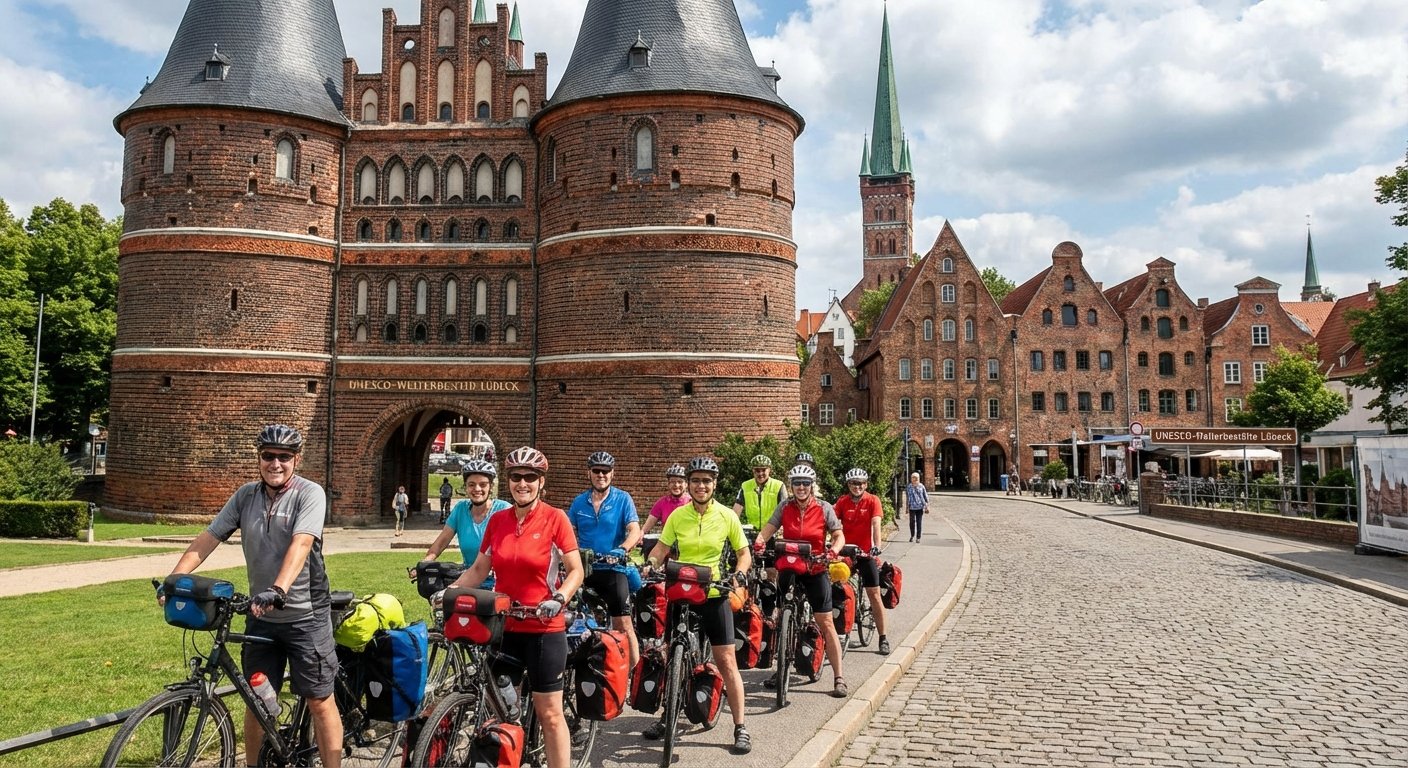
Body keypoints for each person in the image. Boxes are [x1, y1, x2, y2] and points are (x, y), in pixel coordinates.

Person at [158, 425, 342, 767]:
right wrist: (174, 580)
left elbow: (301, 543)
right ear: (258, 459)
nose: (276, 463)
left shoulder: (309, 493)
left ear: (296, 460)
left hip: (305, 614)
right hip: (261, 615)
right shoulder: (246, 496)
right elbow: (209, 538)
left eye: (284, 457)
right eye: (268, 456)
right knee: (256, 700)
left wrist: (278, 589)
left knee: (318, 699)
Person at [449, 446, 584, 768]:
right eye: (515, 477)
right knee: (497, 705)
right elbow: (480, 570)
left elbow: (576, 569)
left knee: (549, 713)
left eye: (529, 477)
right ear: (507, 481)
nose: (522, 483)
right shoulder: (498, 521)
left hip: (543, 628)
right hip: (503, 626)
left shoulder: (555, 518)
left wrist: (560, 597)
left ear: (540, 482)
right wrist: (450, 591)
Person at [642, 457, 753, 753]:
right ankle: (668, 716)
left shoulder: (727, 515)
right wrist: (650, 563)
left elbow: (744, 553)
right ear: (689, 485)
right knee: (670, 656)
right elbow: (662, 548)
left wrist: (740, 573)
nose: (700, 486)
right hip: (681, 591)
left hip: (714, 593)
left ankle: (740, 727)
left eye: (706, 481)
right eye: (696, 481)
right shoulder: (678, 515)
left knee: (727, 661)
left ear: (714, 484)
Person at [753, 464, 849, 698]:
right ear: (791, 486)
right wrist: (759, 542)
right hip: (789, 568)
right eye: (797, 483)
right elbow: (768, 529)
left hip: (815, 568)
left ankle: (839, 678)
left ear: (812, 486)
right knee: (780, 616)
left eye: (806, 483)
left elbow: (838, 535)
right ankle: (782, 666)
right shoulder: (784, 507)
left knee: (825, 621)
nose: (801, 487)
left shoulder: (824, 508)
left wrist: (833, 551)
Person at [566, 451, 642, 667]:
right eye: (596, 471)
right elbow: (569, 533)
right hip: (585, 570)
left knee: (623, 624)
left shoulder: (622, 499)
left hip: (613, 570)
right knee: (572, 620)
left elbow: (634, 530)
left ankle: (633, 678)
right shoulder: (579, 502)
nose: (601, 475)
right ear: (589, 473)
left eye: (605, 471)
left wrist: (623, 549)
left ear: (612, 473)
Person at [422, 459, 510, 586]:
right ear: (465, 486)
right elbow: (441, 542)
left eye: (483, 484)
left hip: (498, 582)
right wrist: (425, 563)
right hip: (469, 579)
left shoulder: (504, 510)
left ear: (491, 486)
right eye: (471, 484)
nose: (477, 489)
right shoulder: (460, 509)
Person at [833, 468, 890, 655]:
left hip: (866, 552)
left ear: (865, 485)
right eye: (853, 483)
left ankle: (883, 638)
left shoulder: (873, 500)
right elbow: (832, 523)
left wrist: (876, 545)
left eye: (860, 483)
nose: (857, 487)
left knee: (873, 593)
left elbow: (876, 524)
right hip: (847, 551)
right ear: (848, 485)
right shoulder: (842, 501)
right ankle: (839, 627)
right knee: (836, 584)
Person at [733, 454, 785, 531]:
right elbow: (737, 509)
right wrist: (732, 527)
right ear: (753, 470)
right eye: (757, 470)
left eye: (764, 470)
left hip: (773, 532)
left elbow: (785, 510)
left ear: (769, 470)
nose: (760, 474)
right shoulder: (745, 486)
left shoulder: (779, 485)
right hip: (752, 531)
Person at [642, 464, 689, 535]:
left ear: (686, 484)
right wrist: (640, 535)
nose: (676, 485)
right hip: (667, 542)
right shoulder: (662, 503)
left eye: (680, 482)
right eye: (672, 482)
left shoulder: (691, 502)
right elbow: (646, 526)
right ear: (668, 484)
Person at [906, 472, 929, 542]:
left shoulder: (921, 486)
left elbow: (926, 497)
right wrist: (907, 507)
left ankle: (918, 537)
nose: (914, 479)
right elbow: (907, 498)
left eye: (916, 478)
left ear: (918, 478)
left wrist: (927, 506)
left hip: (920, 507)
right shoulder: (909, 487)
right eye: (913, 477)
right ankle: (912, 535)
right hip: (912, 507)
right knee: (912, 522)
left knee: (919, 522)